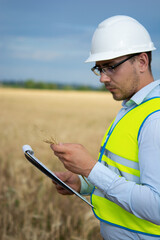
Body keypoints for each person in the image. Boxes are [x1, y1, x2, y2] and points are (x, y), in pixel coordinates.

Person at [50, 15, 160, 239]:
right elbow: (126, 178)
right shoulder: (133, 108)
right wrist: (84, 183)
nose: (102, 78)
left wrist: (91, 169)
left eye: (110, 67)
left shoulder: (155, 119)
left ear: (141, 62)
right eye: (99, 69)